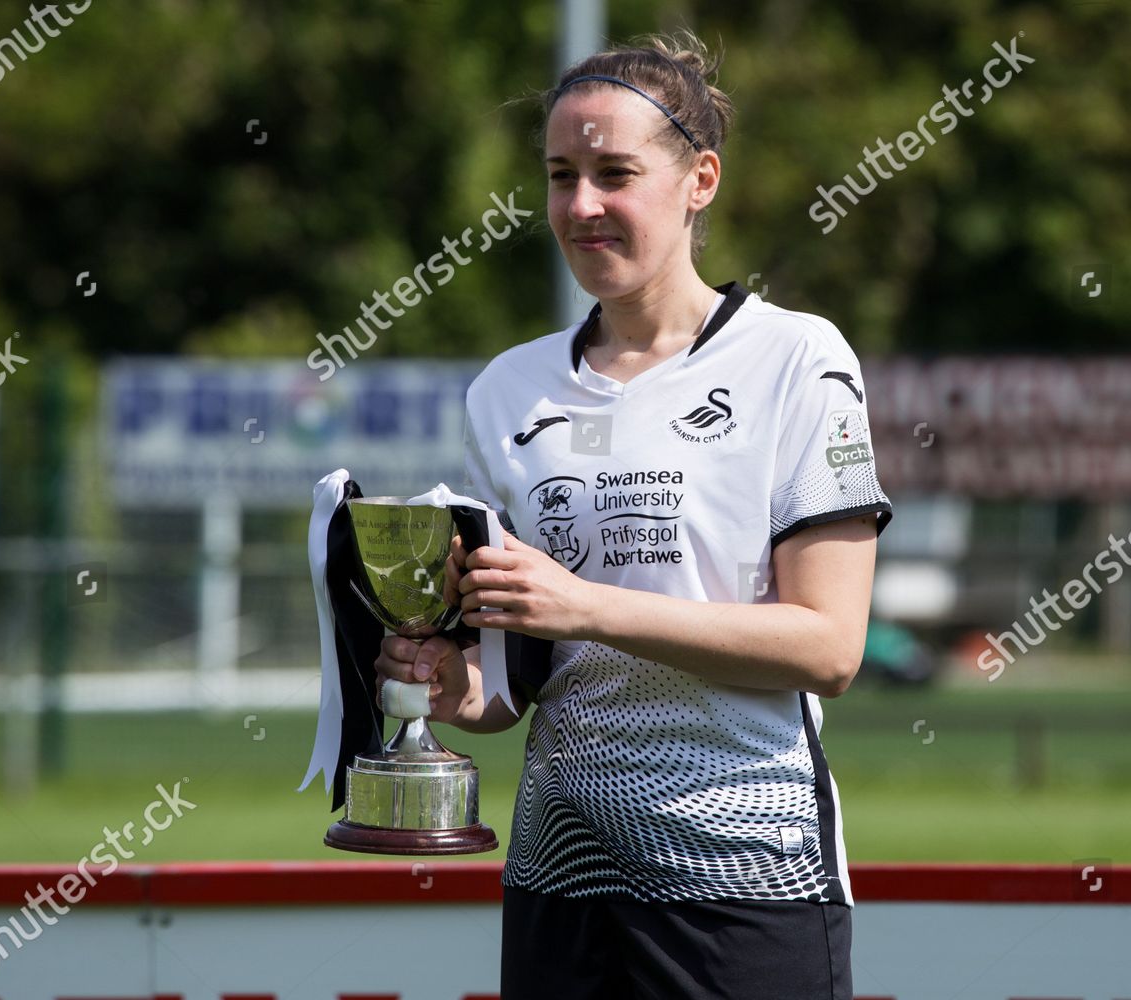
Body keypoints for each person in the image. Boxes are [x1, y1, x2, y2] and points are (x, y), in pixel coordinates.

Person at [374, 29, 891, 1000]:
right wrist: (447, 686)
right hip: (558, 877)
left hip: (747, 879)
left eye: (614, 173)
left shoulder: (796, 359)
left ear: (700, 180)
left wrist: (584, 605)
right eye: (560, 174)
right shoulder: (506, 392)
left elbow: (830, 645)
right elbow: (518, 679)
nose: (581, 206)